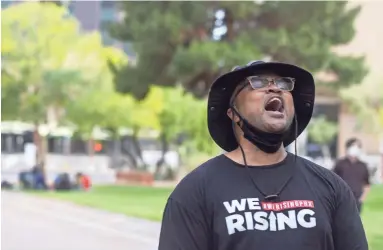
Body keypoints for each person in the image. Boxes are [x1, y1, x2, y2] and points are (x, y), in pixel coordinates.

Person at [158, 61, 368, 250]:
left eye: (284, 84)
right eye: (257, 82)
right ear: (232, 112)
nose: (275, 87)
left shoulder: (331, 187)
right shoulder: (195, 192)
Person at [333, 138, 370, 213]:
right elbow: (333, 180)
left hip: (357, 200)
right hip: (342, 200)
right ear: (347, 148)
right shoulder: (340, 164)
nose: (355, 148)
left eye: (358, 146)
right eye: (353, 146)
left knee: (355, 224)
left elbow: (367, 184)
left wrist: (362, 199)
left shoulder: (363, 166)